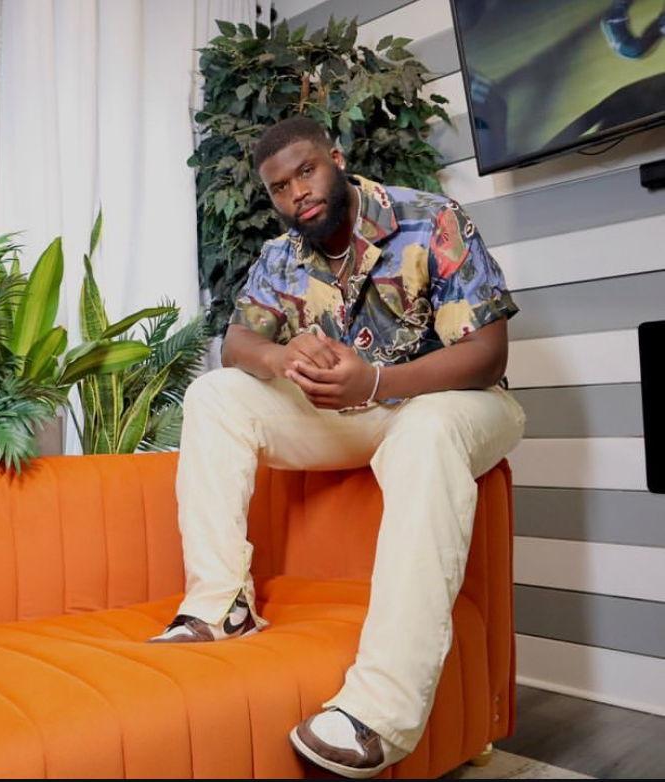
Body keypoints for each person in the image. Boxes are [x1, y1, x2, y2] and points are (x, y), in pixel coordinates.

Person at [150, 115, 526, 779]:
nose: (297, 192)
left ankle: (382, 713)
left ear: (337, 159)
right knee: (214, 395)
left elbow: (487, 356)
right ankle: (220, 607)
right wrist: (282, 354)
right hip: (357, 414)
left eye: (307, 171)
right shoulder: (281, 255)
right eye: (279, 186)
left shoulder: (430, 219)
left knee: (426, 431)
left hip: (458, 404)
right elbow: (237, 343)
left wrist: (376, 380)